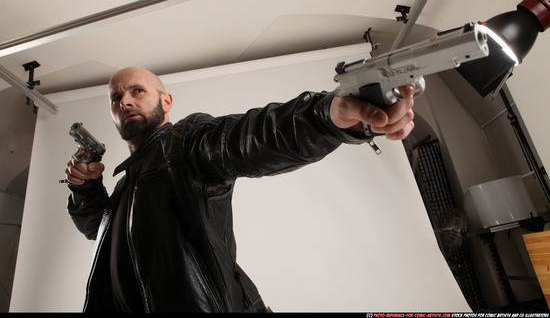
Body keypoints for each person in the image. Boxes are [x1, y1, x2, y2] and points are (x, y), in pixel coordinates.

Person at [64, 66, 415, 312]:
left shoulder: (185, 145)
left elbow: (251, 137)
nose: (124, 101)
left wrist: (325, 116)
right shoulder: (127, 182)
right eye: (116, 97)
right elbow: (98, 230)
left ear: (166, 102)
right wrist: (87, 190)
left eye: (136, 91)